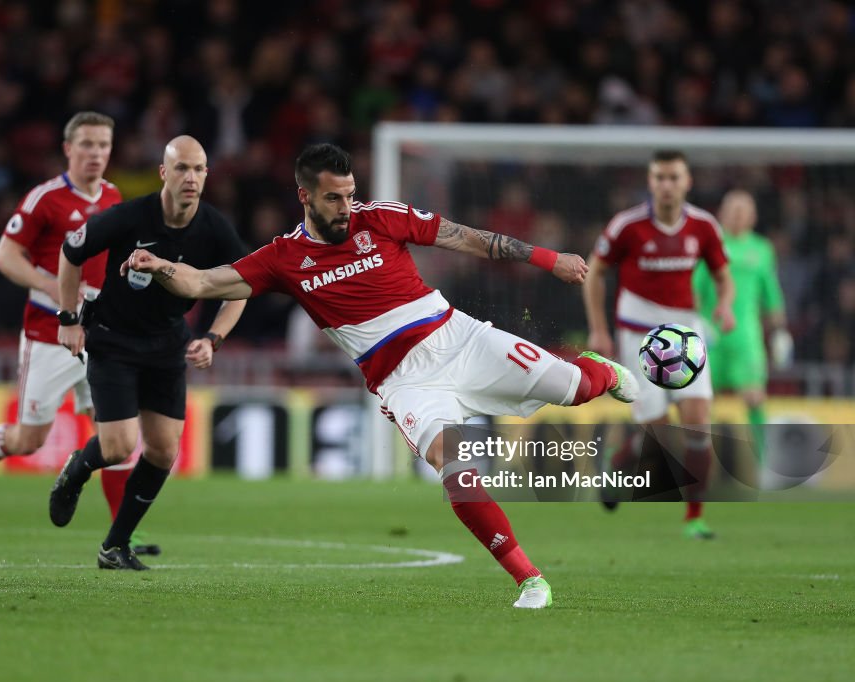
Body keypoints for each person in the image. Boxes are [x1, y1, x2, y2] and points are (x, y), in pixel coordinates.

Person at [121, 142, 641, 610]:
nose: (347, 208)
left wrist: (547, 259)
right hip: (404, 382)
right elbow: (206, 282)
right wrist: (159, 265)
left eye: (350, 195)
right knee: (457, 473)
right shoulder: (283, 258)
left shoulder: (383, 218)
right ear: (304, 196)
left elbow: (468, 240)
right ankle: (530, 579)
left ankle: (601, 372)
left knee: (574, 388)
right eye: (333, 199)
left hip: (459, 338)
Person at [0, 111, 159, 552]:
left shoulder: (115, 197)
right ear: (68, 149)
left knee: (115, 434)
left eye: (103, 145)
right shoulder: (45, 199)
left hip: (101, 335)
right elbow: (5, 256)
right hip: (49, 333)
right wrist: (53, 286)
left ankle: (122, 536)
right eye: (88, 145)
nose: (96, 153)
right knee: (28, 439)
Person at [49, 135, 248, 570]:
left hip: (166, 344)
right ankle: (75, 473)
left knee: (162, 451)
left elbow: (241, 287)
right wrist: (67, 319)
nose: (190, 177)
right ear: (164, 173)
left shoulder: (214, 227)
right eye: (181, 168)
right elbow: (71, 251)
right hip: (114, 339)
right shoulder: (130, 217)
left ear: (207, 175)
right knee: (118, 448)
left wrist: (212, 338)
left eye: (198, 169)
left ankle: (114, 546)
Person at [583, 150, 735, 540]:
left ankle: (694, 518)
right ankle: (618, 464)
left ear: (687, 182)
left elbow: (722, 275)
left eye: (673, 177)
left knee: (699, 422)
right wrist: (598, 329)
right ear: (650, 183)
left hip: (686, 335)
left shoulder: (703, 226)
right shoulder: (627, 226)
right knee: (657, 432)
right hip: (638, 337)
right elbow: (595, 273)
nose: (666, 185)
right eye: (659, 178)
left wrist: (725, 305)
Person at [693, 190, 792, 465]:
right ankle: (703, 464)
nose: (737, 215)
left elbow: (771, 293)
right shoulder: (710, 245)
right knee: (701, 402)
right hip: (711, 337)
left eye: (743, 210)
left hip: (746, 338)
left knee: (754, 397)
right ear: (722, 214)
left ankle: (763, 464)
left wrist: (780, 332)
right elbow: (694, 290)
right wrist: (698, 322)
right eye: (732, 210)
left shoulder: (762, 250)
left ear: (753, 216)